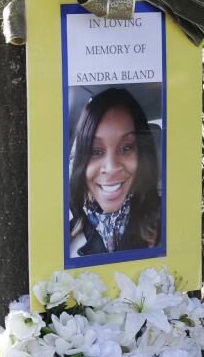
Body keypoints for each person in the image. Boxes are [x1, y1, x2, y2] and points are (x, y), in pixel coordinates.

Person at [68, 87, 161, 257]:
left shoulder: (167, 222)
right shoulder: (67, 234)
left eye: (126, 148)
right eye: (96, 151)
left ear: (142, 154)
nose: (110, 168)